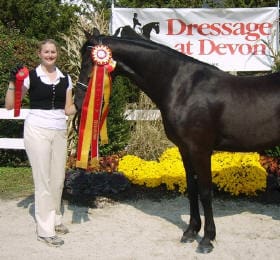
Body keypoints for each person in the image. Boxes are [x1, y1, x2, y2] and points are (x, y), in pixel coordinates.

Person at [5, 39, 77, 247]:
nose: (50, 55)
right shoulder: (30, 77)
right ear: (39, 54)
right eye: (46, 51)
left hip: (59, 130)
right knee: (43, 180)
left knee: (57, 179)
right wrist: (12, 83)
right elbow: (10, 106)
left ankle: (54, 219)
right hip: (37, 129)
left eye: (53, 52)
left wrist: (84, 102)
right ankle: (45, 230)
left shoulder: (66, 78)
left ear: (57, 54)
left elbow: (68, 109)